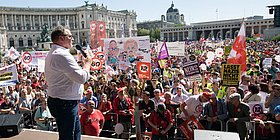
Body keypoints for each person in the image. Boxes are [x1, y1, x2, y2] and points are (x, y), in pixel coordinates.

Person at [45, 25, 92, 140]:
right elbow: (81, 78)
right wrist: (88, 64)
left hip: (63, 101)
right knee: (69, 137)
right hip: (65, 103)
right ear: (61, 38)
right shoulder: (62, 55)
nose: (72, 38)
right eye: (70, 36)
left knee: (74, 135)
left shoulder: (55, 53)